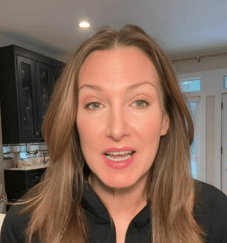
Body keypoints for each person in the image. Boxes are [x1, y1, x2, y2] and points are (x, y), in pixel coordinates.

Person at [1, 24, 227, 243]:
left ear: (164, 120)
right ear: (73, 120)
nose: (117, 130)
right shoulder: (24, 226)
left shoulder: (215, 216)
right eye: (95, 105)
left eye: (139, 102)